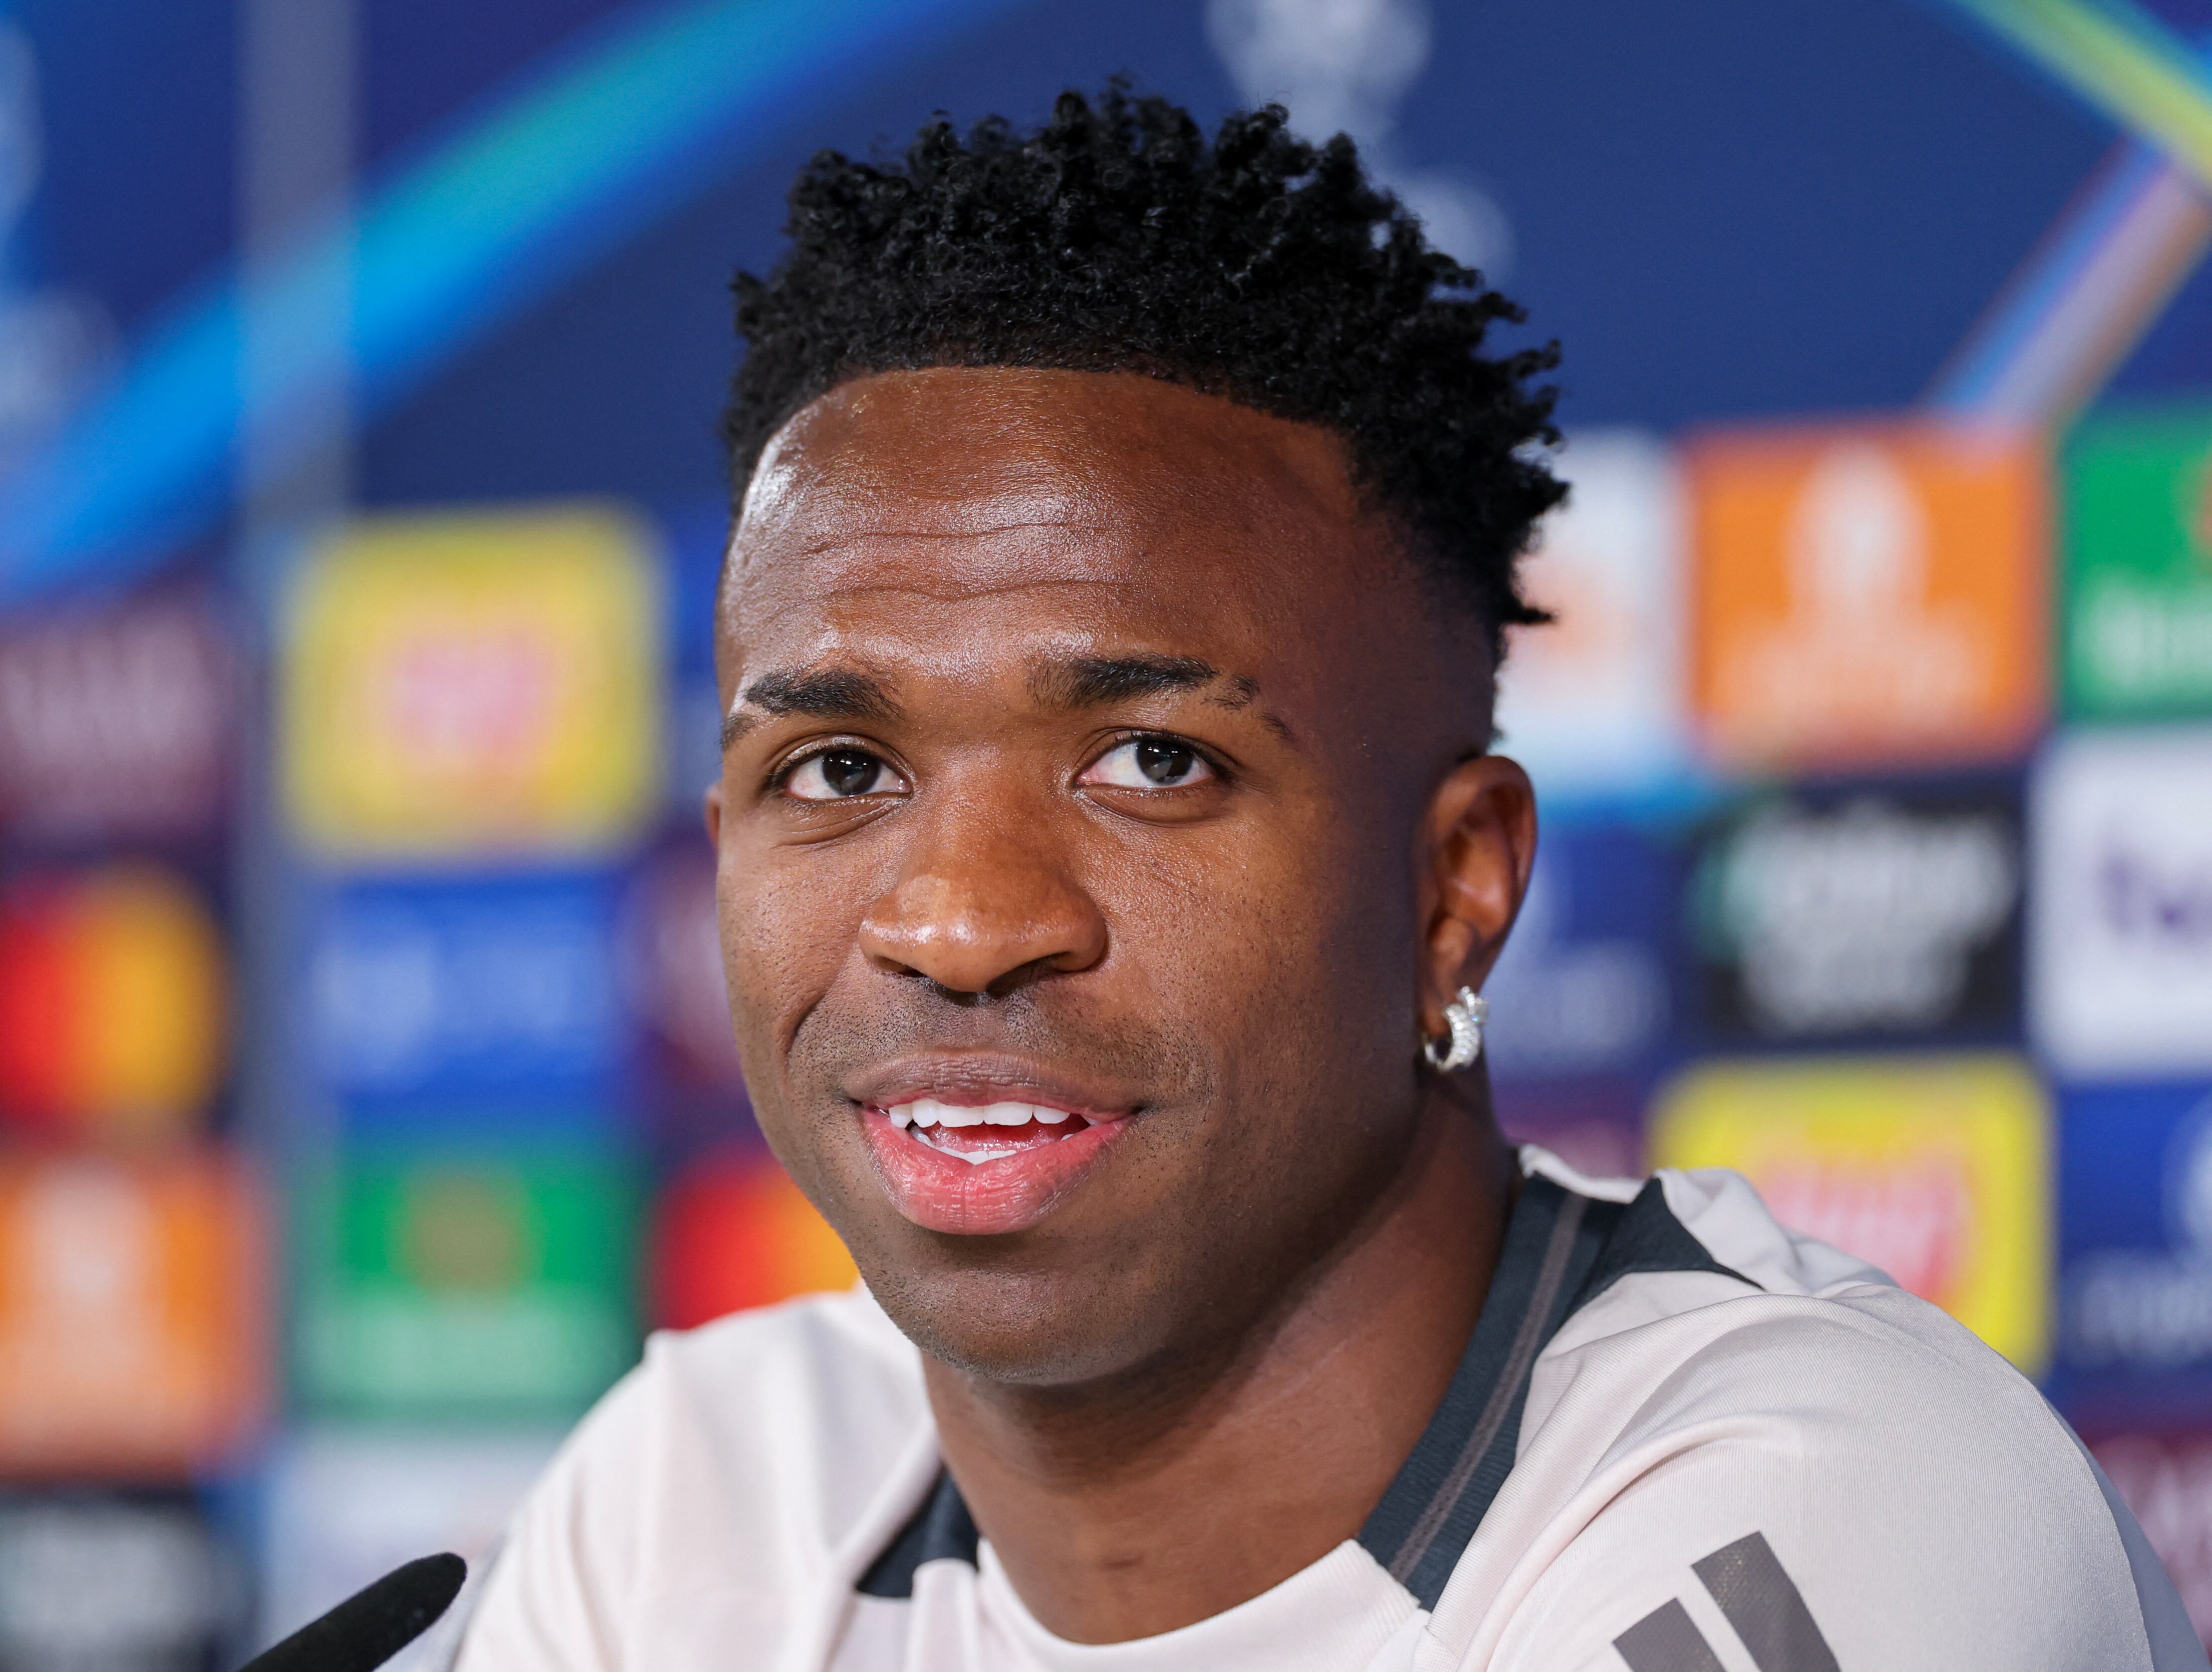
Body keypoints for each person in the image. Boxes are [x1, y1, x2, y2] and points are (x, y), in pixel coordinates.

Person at [453, 88, 2201, 1671]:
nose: (961, 921)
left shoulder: (1828, 1499)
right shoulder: (695, 1501)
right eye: (839, 772)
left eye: (1155, 762)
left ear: (1457, 886)